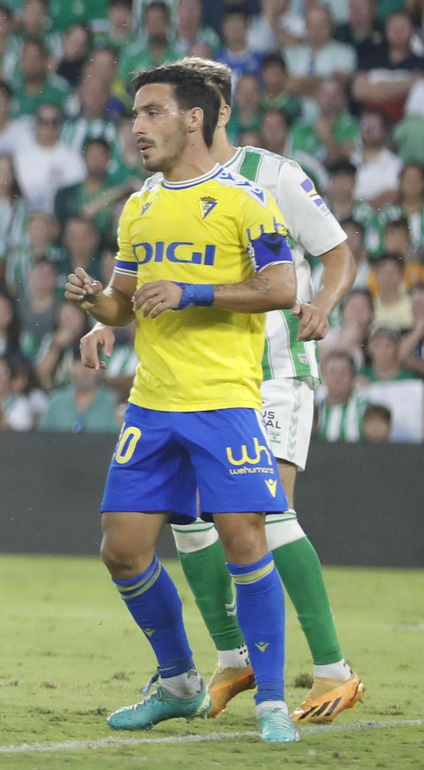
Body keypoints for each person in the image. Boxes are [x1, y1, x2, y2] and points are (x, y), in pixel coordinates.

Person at [83, 56, 364, 725]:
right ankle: (232, 659)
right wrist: (102, 321)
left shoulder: (273, 176)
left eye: (160, 108)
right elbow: (138, 286)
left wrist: (324, 305)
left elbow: (337, 254)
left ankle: (332, 670)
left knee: (265, 520)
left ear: (209, 112)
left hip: (272, 371)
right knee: (188, 523)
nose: (146, 122)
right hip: (179, 382)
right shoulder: (152, 195)